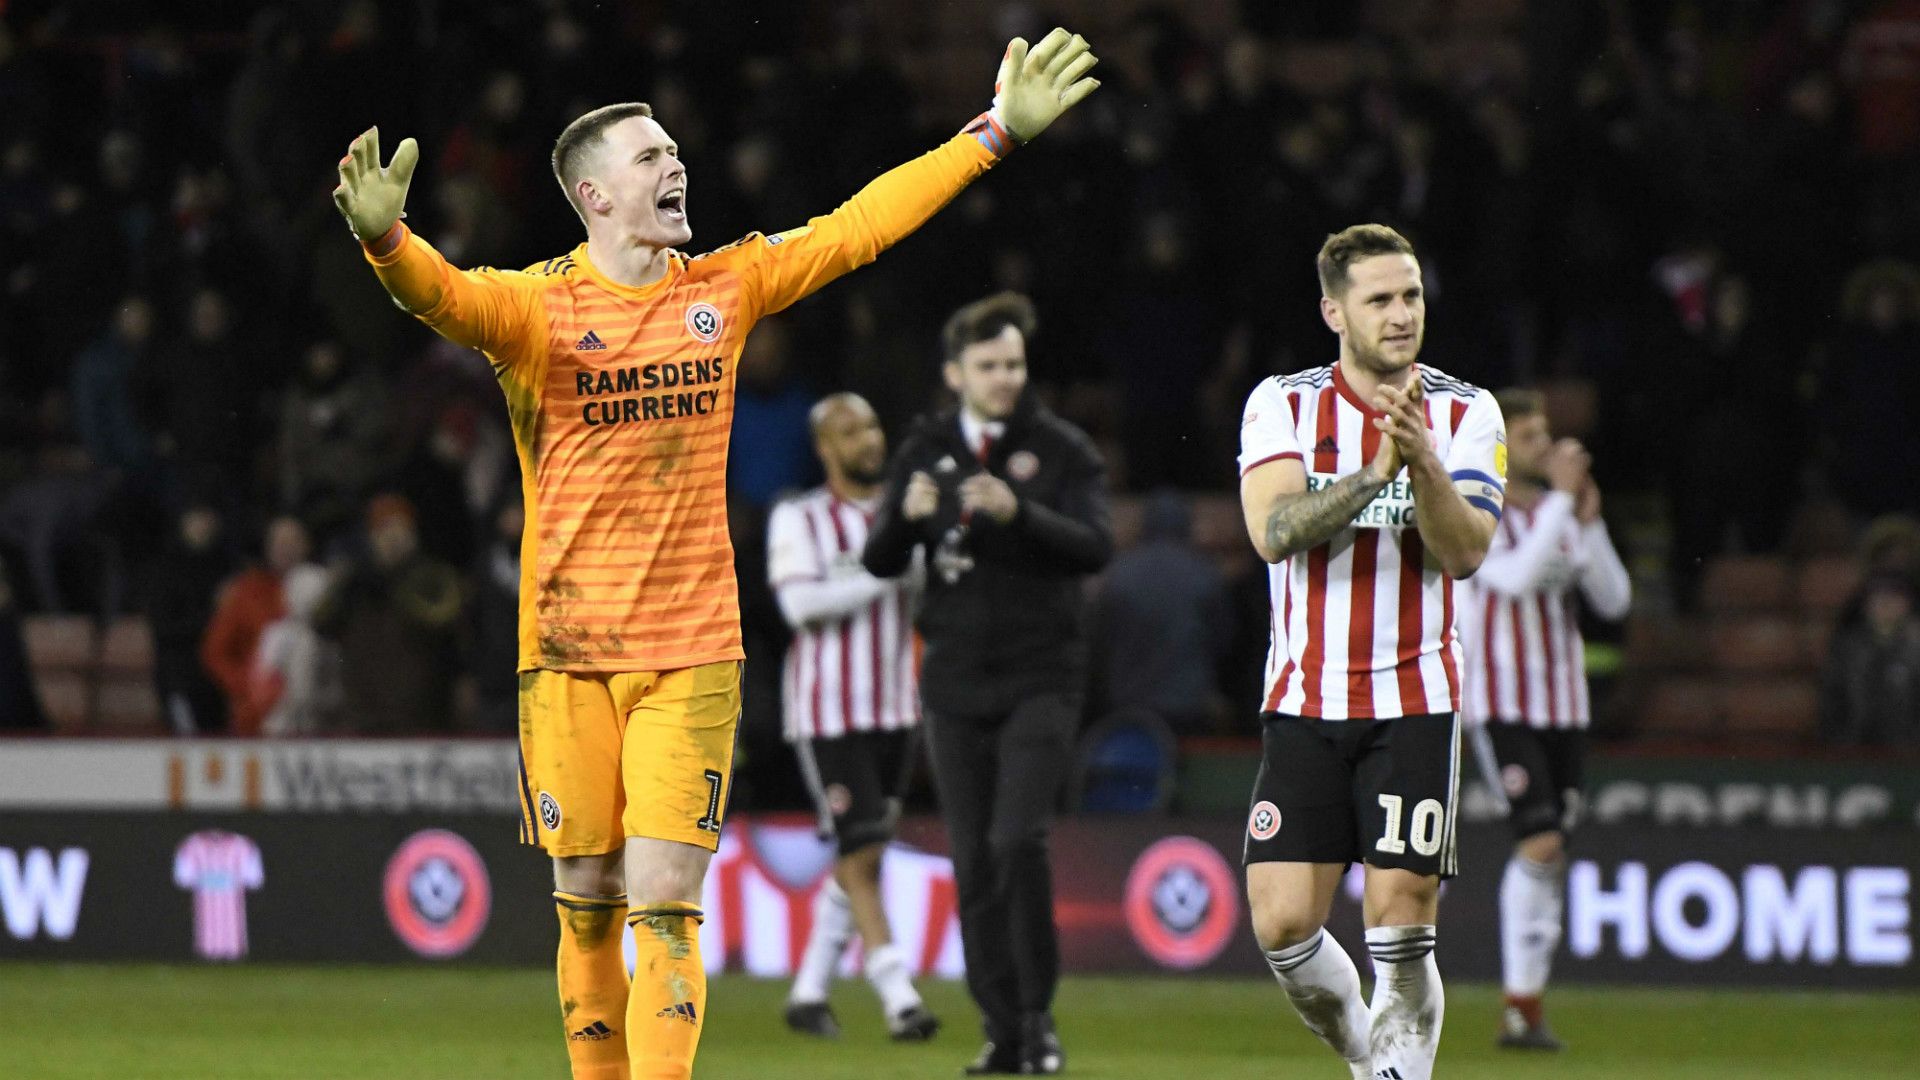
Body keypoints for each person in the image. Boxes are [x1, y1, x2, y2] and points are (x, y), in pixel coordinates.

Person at [330, 30, 1100, 1080]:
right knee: (589, 909)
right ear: (594, 197)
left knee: (666, 908)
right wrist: (388, 246)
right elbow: (447, 297)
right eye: (649, 157)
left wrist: (996, 132)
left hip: (693, 652)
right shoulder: (538, 312)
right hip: (563, 658)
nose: (675, 163)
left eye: (674, 149)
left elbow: (860, 227)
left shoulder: (725, 289)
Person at [1236, 224, 1504, 1080]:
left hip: (1414, 700)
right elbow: (1273, 532)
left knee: (1399, 922)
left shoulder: (1468, 411)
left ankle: (1399, 1075)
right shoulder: (1282, 404)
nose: (1400, 315)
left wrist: (1420, 462)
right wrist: (1370, 474)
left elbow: (1463, 552)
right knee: (1281, 926)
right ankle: (1369, 1057)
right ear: (1333, 311)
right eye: (1379, 300)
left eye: (1411, 296)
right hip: (1305, 700)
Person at [863, 292, 1112, 1075]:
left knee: (1016, 840)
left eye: (1014, 364)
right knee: (970, 861)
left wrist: (1020, 511)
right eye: (989, 366)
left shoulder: (1062, 450)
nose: (1006, 379)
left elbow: (1096, 546)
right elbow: (878, 557)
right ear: (955, 373)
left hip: (1044, 674)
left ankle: (1037, 1019)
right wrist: (904, 517)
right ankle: (1001, 1029)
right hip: (955, 680)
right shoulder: (926, 447)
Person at [1456, 388, 1630, 1051]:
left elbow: (1612, 597)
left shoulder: (1556, 518)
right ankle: (1519, 1004)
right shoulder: (1478, 514)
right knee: (1541, 843)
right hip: (1500, 703)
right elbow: (1517, 580)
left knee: (1552, 855)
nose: (1546, 449)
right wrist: (1563, 500)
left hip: (1564, 705)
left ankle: (1524, 1012)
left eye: (1544, 436)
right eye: (1529, 438)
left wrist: (1591, 520)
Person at [768, 393, 936, 1043]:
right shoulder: (799, 518)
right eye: (849, 431)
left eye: (871, 424)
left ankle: (809, 991)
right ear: (824, 450)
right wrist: (887, 571)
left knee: (860, 851)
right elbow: (801, 606)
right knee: (864, 849)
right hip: (827, 712)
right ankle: (899, 996)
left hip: (895, 706)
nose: (866, 439)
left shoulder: (905, 511)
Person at [202, 516, 312, 737]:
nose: (286, 549)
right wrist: (245, 684)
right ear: (267, 547)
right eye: (279, 542)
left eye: (293, 542)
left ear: (306, 546)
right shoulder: (246, 590)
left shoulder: (319, 589)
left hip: (311, 716)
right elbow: (214, 652)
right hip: (257, 716)